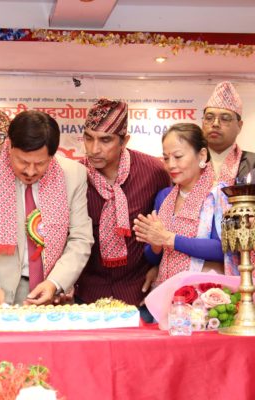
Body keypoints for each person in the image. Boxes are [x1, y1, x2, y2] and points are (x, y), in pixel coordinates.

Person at [0, 110, 93, 306]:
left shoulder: (73, 175)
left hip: (53, 295)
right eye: (22, 161)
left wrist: (55, 282)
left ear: (52, 156)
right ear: (9, 147)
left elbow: (80, 239)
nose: (30, 171)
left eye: (40, 163)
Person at [74, 98, 170, 313]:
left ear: (124, 141)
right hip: (86, 294)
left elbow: (168, 224)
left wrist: (159, 266)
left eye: (105, 140)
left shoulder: (154, 172)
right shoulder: (75, 175)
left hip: (140, 292)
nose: (94, 149)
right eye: (88, 138)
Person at [133, 123, 234, 286]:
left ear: (202, 155)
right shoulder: (164, 196)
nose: (170, 165)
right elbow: (153, 257)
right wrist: (155, 245)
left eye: (178, 156)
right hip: (166, 290)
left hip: (206, 292)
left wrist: (169, 238)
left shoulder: (220, 195)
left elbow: (224, 248)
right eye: (166, 158)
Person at [202, 81, 255, 185]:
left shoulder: (253, 163)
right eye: (209, 118)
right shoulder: (188, 161)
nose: (215, 124)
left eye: (225, 119)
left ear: (239, 126)